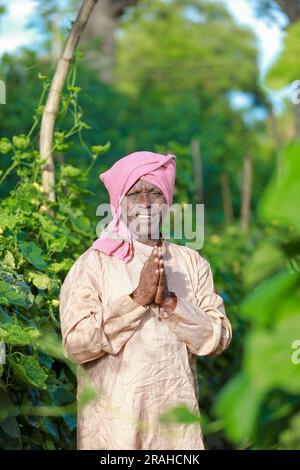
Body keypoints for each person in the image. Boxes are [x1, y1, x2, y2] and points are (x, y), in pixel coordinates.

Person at [59, 150, 232, 450]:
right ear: (118, 204)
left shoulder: (191, 263)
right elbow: (75, 344)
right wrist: (137, 299)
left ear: (166, 201)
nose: (146, 202)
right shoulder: (94, 264)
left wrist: (170, 303)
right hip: (113, 434)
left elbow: (218, 338)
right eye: (135, 193)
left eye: (154, 192)